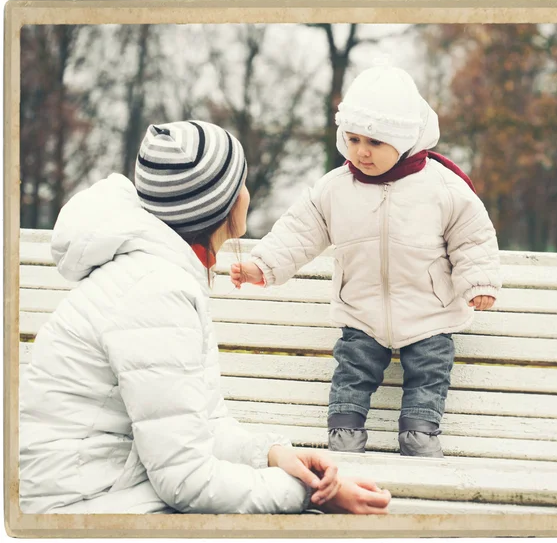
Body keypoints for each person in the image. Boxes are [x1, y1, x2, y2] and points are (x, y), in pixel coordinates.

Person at [19, 120, 391, 515]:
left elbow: (195, 425)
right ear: (222, 203)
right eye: (242, 183)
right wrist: (310, 495)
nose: (247, 194)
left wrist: (274, 455)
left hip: (98, 485)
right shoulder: (155, 293)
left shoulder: (160, 275)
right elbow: (185, 481)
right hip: (74, 505)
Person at [231, 66, 502, 458]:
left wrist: (477, 282)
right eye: (353, 138)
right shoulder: (336, 188)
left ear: (405, 138)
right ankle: (345, 431)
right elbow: (299, 230)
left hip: (429, 312)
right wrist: (264, 265)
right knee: (352, 368)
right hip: (361, 312)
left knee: (430, 369)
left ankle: (420, 432)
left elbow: (472, 236)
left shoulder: (442, 187)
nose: (361, 151)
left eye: (375, 141)